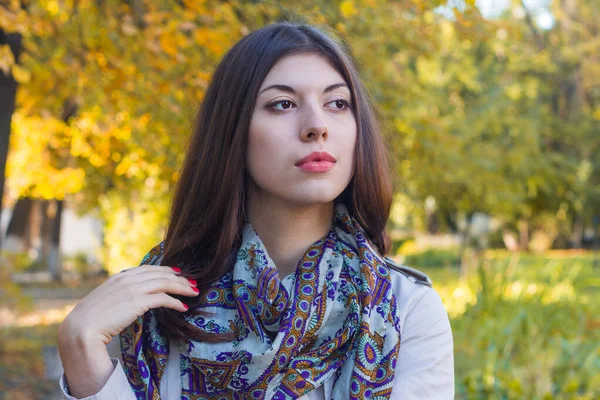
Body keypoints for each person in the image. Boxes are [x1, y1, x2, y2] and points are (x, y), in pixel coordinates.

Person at [58, 22, 454, 400]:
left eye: (337, 103)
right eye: (282, 104)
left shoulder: (403, 309)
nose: (317, 125)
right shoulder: (162, 302)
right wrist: (81, 346)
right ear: (232, 131)